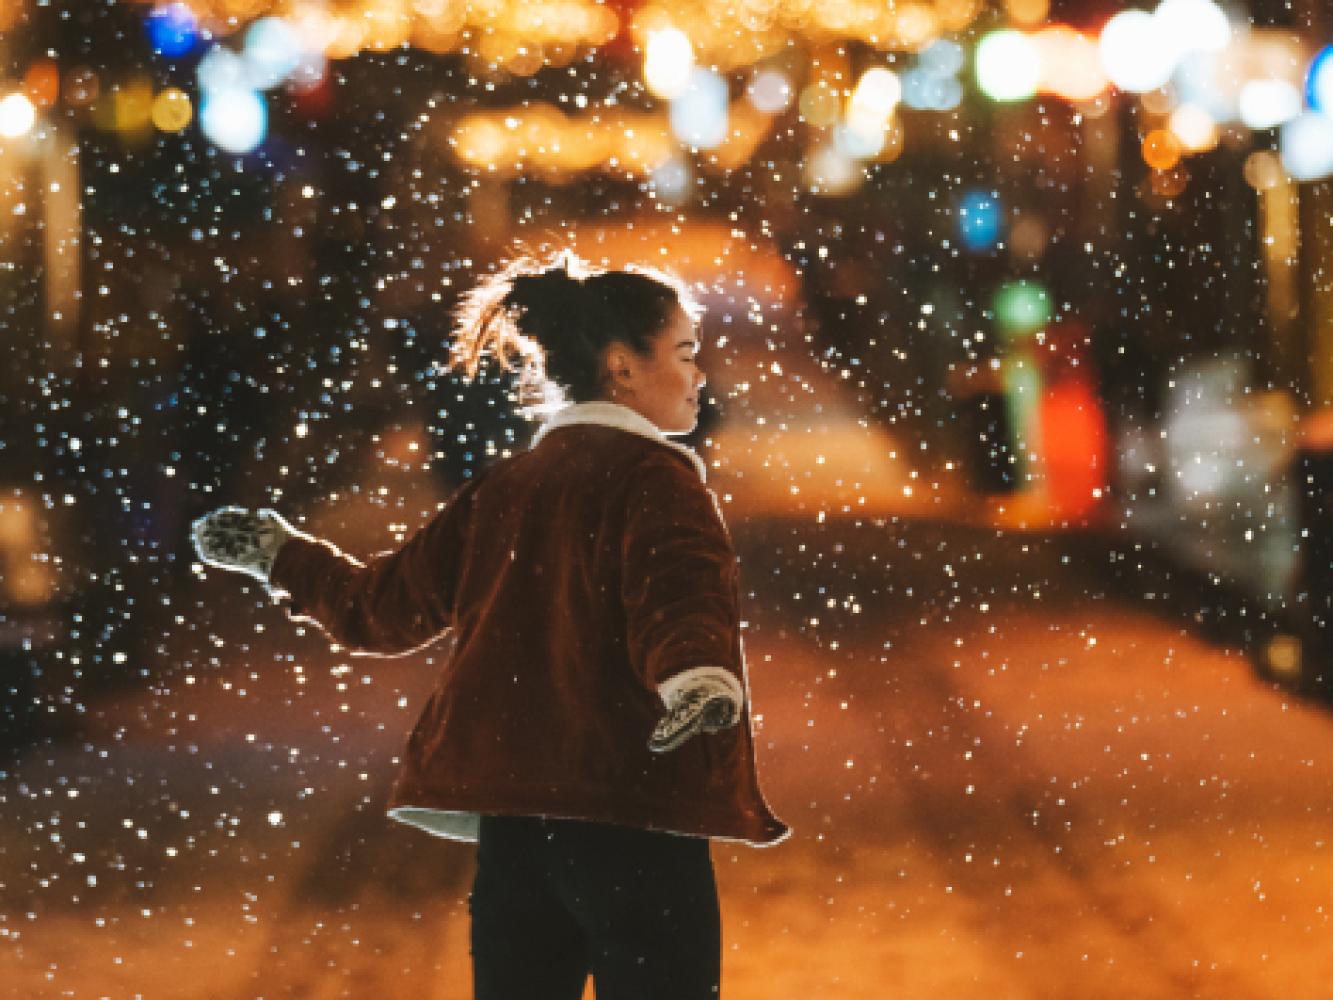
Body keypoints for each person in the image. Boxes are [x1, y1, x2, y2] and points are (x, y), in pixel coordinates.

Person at [190, 251, 789, 999]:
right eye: (685, 353)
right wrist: (695, 676)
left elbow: (381, 608)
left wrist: (281, 556)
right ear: (621, 366)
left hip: (516, 832)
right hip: (630, 812)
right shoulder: (656, 483)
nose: (700, 377)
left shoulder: (506, 488)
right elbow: (678, 595)